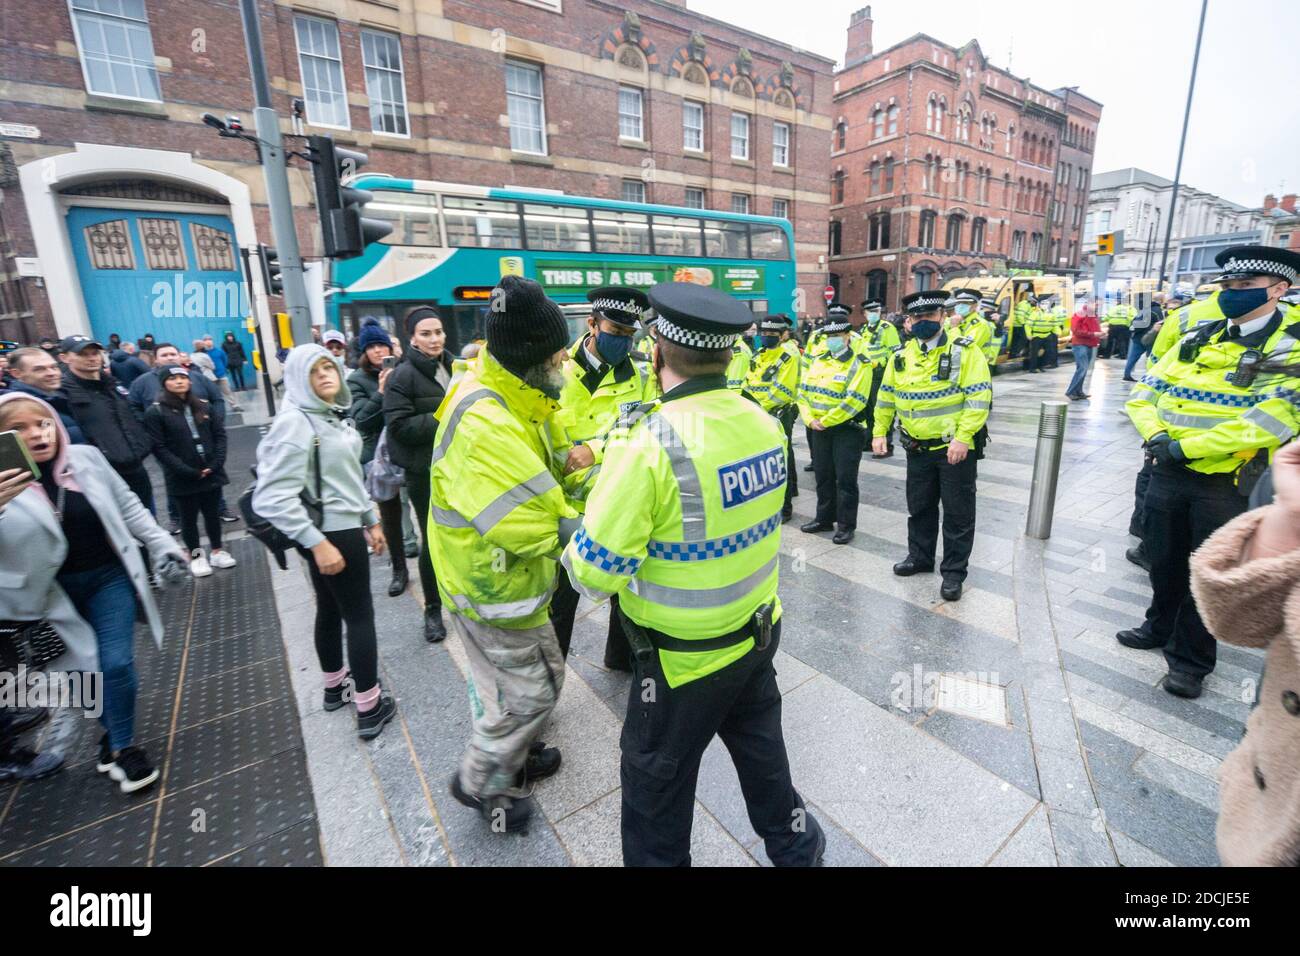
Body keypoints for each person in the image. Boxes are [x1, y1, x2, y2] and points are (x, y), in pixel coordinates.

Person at [562, 281, 826, 867]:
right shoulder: (762, 423)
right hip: (755, 635)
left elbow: (593, 576)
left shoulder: (645, 444)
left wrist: (570, 534)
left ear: (656, 350)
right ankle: (798, 848)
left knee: (656, 786)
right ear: (730, 353)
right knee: (764, 760)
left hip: (680, 665)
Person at [1117, 245, 1300, 699]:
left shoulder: (1288, 349)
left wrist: (1185, 446)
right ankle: (1157, 626)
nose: (1232, 294)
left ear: (1279, 289)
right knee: (1162, 558)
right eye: (1229, 286)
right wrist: (1159, 436)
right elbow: (1145, 393)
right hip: (1169, 469)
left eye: (1245, 287)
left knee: (1206, 570)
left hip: (1225, 481)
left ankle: (1191, 661)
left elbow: (1271, 420)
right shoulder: (1198, 337)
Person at [429, 275, 575, 832]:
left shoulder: (514, 393)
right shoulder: (485, 419)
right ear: (531, 356)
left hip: (504, 581)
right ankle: (480, 780)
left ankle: (514, 758)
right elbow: (538, 517)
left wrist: (581, 457)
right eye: (559, 354)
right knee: (531, 693)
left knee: (524, 680)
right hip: (492, 584)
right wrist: (608, 536)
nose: (565, 362)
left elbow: (549, 459)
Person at [0, 392, 188, 792]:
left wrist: (162, 545)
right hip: (47, 598)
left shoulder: (85, 458)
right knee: (81, 674)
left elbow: (130, 506)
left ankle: (123, 747)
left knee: (116, 664)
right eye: (18, 429)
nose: (36, 434)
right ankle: (110, 732)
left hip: (107, 578)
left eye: (42, 423)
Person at [253, 344, 396, 739]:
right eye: (315, 371)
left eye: (330, 367)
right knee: (359, 615)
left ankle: (336, 688)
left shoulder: (327, 416)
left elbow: (345, 479)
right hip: (331, 534)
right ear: (300, 379)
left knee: (331, 610)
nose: (326, 375)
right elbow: (271, 497)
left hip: (343, 527)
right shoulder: (297, 422)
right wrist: (316, 542)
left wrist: (371, 519)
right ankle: (369, 705)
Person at [1190, 440, 1300, 866]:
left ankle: (1189, 664)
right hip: (1266, 805)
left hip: (1218, 470)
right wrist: (1287, 523)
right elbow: (1236, 621)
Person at [548, 287, 656, 666]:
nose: (623, 342)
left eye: (630, 335)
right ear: (592, 324)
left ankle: (620, 659)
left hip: (613, 500)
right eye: (616, 331)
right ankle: (552, 675)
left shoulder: (640, 373)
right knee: (560, 599)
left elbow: (642, 425)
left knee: (622, 590)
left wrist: (594, 448)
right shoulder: (557, 367)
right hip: (562, 506)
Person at [874, 290, 992, 602]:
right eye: (917, 317)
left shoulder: (964, 351)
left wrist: (963, 437)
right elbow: (886, 397)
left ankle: (953, 573)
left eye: (929, 316)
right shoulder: (901, 356)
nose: (923, 321)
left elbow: (979, 398)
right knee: (920, 507)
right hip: (916, 448)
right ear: (908, 322)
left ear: (942, 316)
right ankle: (920, 558)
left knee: (957, 513)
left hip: (952, 448)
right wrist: (879, 431)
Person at [383, 306, 455, 643]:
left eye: (438, 332)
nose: (434, 339)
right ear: (412, 337)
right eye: (426, 333)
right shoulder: (402, 375)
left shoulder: (456, 367)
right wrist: (446, 417)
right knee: (433, 541)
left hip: (459, 468)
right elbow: (398, 427)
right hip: (424, 473)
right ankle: (433, 610)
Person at [143, 367, 235, 578]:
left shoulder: (203, 406)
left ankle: (218, 551)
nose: (179, 382)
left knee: (213, 515)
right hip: (182, 476)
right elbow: (159, 448)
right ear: (164, 383)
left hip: (211, 472)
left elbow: (219, 435)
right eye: (173, 379)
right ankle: (196, 556)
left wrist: (216, 463)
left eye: (183, 378)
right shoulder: (156, 412)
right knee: (188, 519)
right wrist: (186, 471)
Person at [797, 305, 873, 544]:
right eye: (829, 336)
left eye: (837, 337)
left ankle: (846, 525)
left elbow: (856, 400)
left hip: (846, 429)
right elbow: (803, 392)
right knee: (823, 475)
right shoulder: (818, 360)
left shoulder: (860, 363)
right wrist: (810, 419)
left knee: (845, 480)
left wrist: (826, 421)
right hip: (818, 427)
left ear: (848, 336)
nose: (832, 341)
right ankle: (823, 518)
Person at [58, 335, 156, 516]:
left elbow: (130, 415)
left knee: (147, 520)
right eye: (83, 354)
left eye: (95, 352)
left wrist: (143, 441)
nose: (92, 358)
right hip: (104, 475)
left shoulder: (111, 384)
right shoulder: (64, 393)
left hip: (135, 467)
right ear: (65, 358)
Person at [347, 318, 409, 598]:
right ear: (364, 352)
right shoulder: (356, 380)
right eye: (371, 346)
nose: (377, 351)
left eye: (381, 344)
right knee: (390, 517)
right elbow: (362, 420)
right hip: (380, 458)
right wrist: (382, 392)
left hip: (408, 448)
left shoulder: (405, 371)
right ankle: (399, 570)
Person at [744, 314, 801, 523]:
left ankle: (785, 508)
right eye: (764, 333)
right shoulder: (757, 356)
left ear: (781, 335)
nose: (767, 337)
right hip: (757, 416)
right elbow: (747, 384)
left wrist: (757, 408)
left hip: (778, 415)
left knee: (781, 460)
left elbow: (782, 391)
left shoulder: (788, 357)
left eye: (772, 334)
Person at [7, 347, 85, 444]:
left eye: (54, 367)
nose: (51, 373)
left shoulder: (64, 395)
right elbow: (46, 446)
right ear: (17, 373)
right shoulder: (22, 408)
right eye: (39, 369)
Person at [860, 299, 901, 458]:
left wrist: (881, 363)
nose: (873, 314)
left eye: (876, 311)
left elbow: (895, 351)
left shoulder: (887, 328)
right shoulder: (864, 329)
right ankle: (870, 441)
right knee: (869, 409)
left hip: (881, 373)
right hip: (867, 373)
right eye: (870, 312)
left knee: (883, 407)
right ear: (864, 314)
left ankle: (887, 445)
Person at [1066, 299, 1101, 401]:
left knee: (1083, 369)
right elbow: (1076, 331)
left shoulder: (1093, 315)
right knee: (1082, 369)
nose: (1097, 306)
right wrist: (1094, 334)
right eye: (1096, 304)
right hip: (1080, 344)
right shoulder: (1080, 314)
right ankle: (1071, 391)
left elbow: (1094, 329)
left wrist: (1099, 334)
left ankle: (1078, 391)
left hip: (1089, 344)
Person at [1123, 294, 1164, 382]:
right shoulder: (1157, 310)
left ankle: (1126, 374)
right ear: (1161, 301)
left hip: (1137, 337)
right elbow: (1160, 323)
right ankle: (1150, 376)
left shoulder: (1144, 310)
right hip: (1150, 338)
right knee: (1151, 358)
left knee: (1133, 357)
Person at [201, 334, 242, 412]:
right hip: (209, 377)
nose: (208, 341)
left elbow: (225, 361)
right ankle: (213, 409)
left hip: (221, 375)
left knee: (227, 391)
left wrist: (222, 369)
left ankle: (235, 406)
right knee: (211, 393)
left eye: (210, 339)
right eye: (206, 340)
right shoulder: (203, 353)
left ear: (212, 341)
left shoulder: (219, 351)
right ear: (203, 342)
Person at [1023, 296, 1057, 373]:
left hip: (1047, 335)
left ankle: (1041, 366)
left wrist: (1057, 331)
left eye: (1046, 303)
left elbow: (1054, 324)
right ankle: (1033, 368)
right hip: (1036, 336)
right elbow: (1028, 325)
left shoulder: (1051, 314)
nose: (1044, 305)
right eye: (1043, 303)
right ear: (1039, 304)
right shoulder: (1035, 313)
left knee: (1048, 351)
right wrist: (1028, 334)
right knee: (1034, 353)